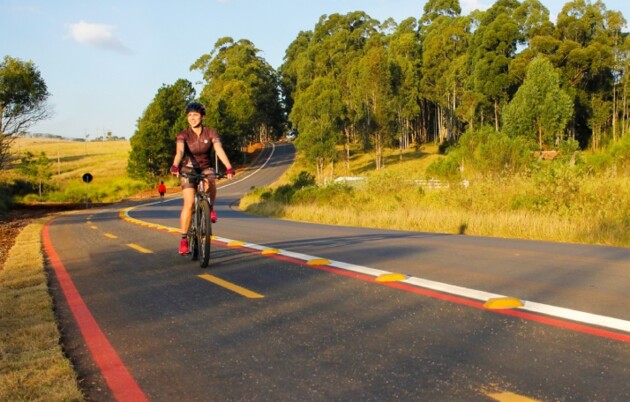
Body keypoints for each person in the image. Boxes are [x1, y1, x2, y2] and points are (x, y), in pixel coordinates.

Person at [170, 101, 235, 255]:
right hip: (188, 169)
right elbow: (179, 152)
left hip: (205, 167)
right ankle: (184, 239)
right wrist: (175, 165)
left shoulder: (211, 132)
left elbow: (218, 149)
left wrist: (229, 167)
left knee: (211, 178)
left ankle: (209, 208)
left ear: (202, 117)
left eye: (196, 115)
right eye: (190, 115)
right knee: (189, 203)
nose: (192, 118)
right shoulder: (183, 135)